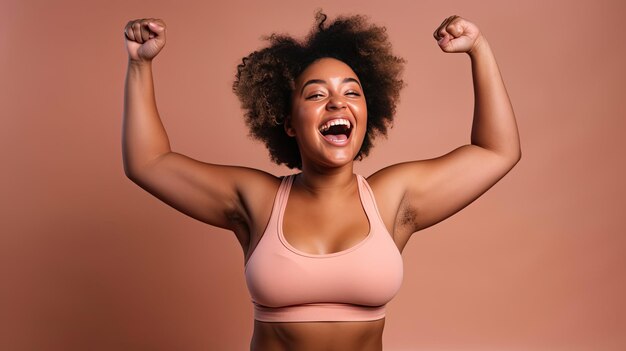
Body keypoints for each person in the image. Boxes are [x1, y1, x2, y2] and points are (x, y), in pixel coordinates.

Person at [122, 12, 520, 351]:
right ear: (289, 124)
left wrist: (478, 48)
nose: (337, 102)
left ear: (368, 112)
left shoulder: (392, 199)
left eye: (352, 92)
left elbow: (496, 151)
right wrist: (140, 65)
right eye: (316, 95)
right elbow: (149, 162)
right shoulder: (257, 199)